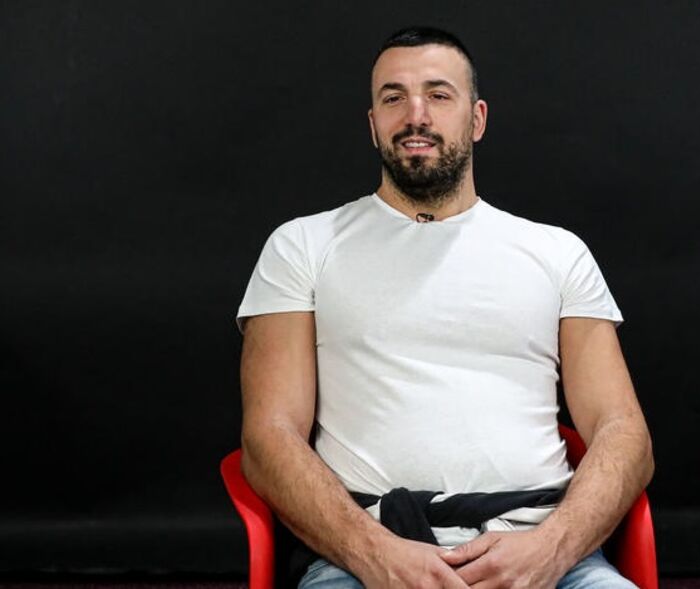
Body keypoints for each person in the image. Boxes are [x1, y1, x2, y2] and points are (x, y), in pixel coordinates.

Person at [236, 26, 654, 589]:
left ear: (476, 118)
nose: (416, 116)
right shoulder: (302, 246)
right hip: (366, 560)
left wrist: (550, 550)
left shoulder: (558, 252)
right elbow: (268, 437)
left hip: (545, 553)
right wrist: (377, 555)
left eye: (438, 94)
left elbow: (623, 431)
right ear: (373, 125)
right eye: (394, 98)